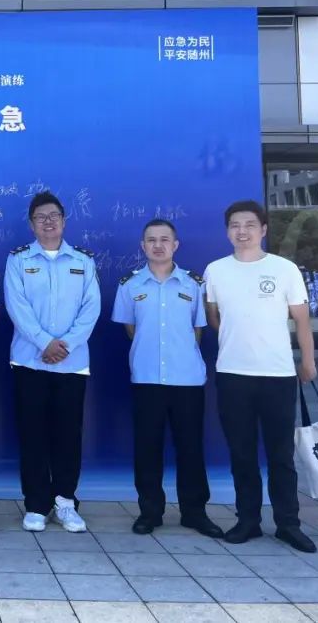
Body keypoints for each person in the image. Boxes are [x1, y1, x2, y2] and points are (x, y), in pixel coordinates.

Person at [205, 200, 317, 554]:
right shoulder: (215, 270)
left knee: (281, 454)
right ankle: (248, 520)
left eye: (250, 225)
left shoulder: (284, 269)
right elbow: (214, 317)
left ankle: (288, 523)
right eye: (235, 225)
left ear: (263, 230)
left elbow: (302, 320)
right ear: (227, 231)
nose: (242, 231)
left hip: (277, 374)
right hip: (233, 375)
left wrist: (308, 361)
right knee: (241, 453)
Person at [111, 219, 223, 539]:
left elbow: (198, 330)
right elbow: (131, 329)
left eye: (164, 240)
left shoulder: (193, 284)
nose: (157, 245)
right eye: (151, 240)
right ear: (142, 246)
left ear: (175, 245)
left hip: (186, 379)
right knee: (147, 448)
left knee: (190, 448)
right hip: (147, 377)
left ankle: (194, 512)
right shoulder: (130, 285)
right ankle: (150, 512)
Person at [4, 191, 100, 534]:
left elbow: (91, 308)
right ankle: (36, 504)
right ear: (31, 224)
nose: (48, 222)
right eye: (41, 217)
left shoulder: (83, 261)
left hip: (72, 364)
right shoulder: (18, 260)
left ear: (64, 220)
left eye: (54, 216)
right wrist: (45, 342)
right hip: (30, 362)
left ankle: (65, 502)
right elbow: (17, 307)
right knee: (32, 435)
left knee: (68, 436)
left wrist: (66, 345)